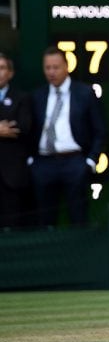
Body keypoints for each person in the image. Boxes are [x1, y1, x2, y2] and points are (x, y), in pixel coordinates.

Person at [30, 47, 106, 227]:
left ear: (67, 67)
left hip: (74, 162)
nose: (51, 72)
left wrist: (89, 162)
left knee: (77, 216)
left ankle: (80, 253)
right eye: (47, 68)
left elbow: (100, 131)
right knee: (44, 218)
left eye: (56, 67)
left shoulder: (85, 93)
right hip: (43, 163)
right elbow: (29, 129)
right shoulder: (37, 96)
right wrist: (31, 161)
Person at [0, 53, 33, 228]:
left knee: (12, 224)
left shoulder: (22, 98)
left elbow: (22, 127)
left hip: (11, 175)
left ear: (10, 73)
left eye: (1, 68)